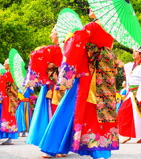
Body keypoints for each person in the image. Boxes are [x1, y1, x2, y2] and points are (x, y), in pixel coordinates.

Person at [39, 9, 121, 159]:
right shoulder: (111, 29)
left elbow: (76, 44)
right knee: (99, 111)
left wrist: (69, 38)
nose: (89, 8)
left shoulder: (91, 27)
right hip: (104, 75)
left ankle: (54, 145)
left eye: (92, 6)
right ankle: (99, 149)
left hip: (88, 75)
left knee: (69, 108)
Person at [24, 26, 64, 158]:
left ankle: (52, 146)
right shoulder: (69, 48)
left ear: (58, 34)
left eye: (52, 32)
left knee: (52, 114)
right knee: (62, 114)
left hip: (52, 86)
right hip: (66, 85)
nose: (50, 35)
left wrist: (44, 70)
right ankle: (61, 147)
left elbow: (35, 55)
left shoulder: (52, 49)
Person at [118, 46, 141, 144]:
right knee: (127, 112)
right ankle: (134, 135)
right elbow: (123, 65)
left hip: (139, 93)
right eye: (133, 51)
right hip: (131, 93)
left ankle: (140, 137)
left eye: (135, 52)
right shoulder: (133, 65)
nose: (133, 53)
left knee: (137, 114)